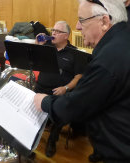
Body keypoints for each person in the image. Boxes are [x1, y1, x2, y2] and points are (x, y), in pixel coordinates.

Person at [34, 0, 130, 163]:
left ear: (104, 21)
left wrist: (45, 102)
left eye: (82, 20)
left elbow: (76, 106)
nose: (78, 27)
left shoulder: (109, 59)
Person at [34, 21, 82, 157]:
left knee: (60, 111)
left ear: (66, 35)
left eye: (57, 31)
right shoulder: (47, 47)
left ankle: (52, 141)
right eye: (53, 30)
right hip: (40, 88)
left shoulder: (74, 53)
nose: (53, 33)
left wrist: (66, 88)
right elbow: (33, 62)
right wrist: (38, 46)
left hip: (59, 92)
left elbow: (79, 77)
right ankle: (29, 143)